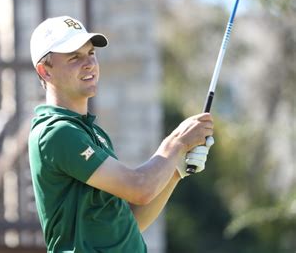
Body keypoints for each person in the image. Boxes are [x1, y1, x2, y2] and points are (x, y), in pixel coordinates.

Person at [28, 16, 214, 252]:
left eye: (91, 53)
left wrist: (176, 170)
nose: (89, 64)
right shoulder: (56, 132)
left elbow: (128, 224)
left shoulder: (92, 132)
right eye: (74, 57)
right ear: (45, 71)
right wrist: (177, 142)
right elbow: (140, 188)